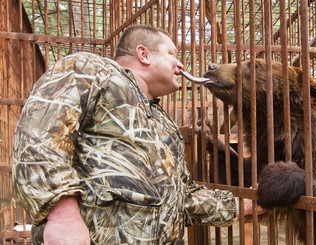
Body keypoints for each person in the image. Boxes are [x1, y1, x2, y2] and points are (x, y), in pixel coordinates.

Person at [13, 24, 244, 245]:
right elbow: (39, 137)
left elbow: (182, 198)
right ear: (143, 54)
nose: (181, 64)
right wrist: (62, 215)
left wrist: (247, 204)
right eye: (172, 54)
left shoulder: (163, 122)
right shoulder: (91, 70)